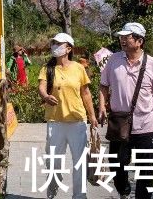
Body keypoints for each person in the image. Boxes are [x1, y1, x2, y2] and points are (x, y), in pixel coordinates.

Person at [98, 22, 153, 199]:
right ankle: (123, 189)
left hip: (145, 126)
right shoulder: (114, 60)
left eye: (127, 37)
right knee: (117, 164)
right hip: (120, 124)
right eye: (121, 37)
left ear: (139, 41)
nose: (122, 40)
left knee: (145, 172)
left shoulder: (152, 64)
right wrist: (101, 105)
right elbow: (103, 85)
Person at [38, 32, 99, 199]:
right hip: (55, 121)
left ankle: (79, 195)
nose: (54, 47)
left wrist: (92, 116)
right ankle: (53, 185)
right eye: (54, 43)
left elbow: (85, 93)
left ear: (68, 48)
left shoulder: (79, 68)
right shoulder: (48, 68)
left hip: (77, 121)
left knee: (79, 161)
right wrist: (45, 96)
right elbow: (42, 86)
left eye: (59, 44)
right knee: (53, 161)